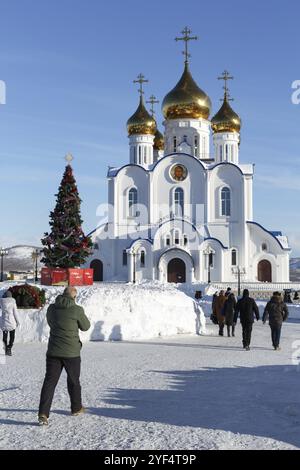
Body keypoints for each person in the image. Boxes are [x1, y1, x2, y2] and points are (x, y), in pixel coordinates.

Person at [38, 286, 91, 426]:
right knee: (74, 381)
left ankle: (43, 413)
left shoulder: (51, 309)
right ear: (74, 297)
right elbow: (86, 326)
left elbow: (50, 322)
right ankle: (76, 408)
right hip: (71, 352)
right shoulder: (77, 310)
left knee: (49, 382)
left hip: (53, 351)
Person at [0, 290, 20, 356]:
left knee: (4, 337)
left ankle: (5, 348)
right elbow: (15, 313)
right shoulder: (13, 302)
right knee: (12, 337)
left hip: (4, 322)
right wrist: (17, 321)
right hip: (11, 322)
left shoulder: (1, 302)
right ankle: (9, 347)